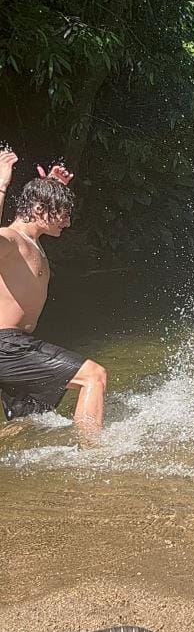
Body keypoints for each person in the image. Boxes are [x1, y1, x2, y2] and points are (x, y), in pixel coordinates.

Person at [0, 147, 107, 438]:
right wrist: (1, 185)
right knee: (93, 377)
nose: (68, 222)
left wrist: (52, 188)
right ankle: (93, 459)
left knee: (27, 423)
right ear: (38, 210)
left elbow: (40, 206)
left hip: (17, 343)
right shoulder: (11, 239)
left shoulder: (31, 242)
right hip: (6, 347)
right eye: (63, 214)